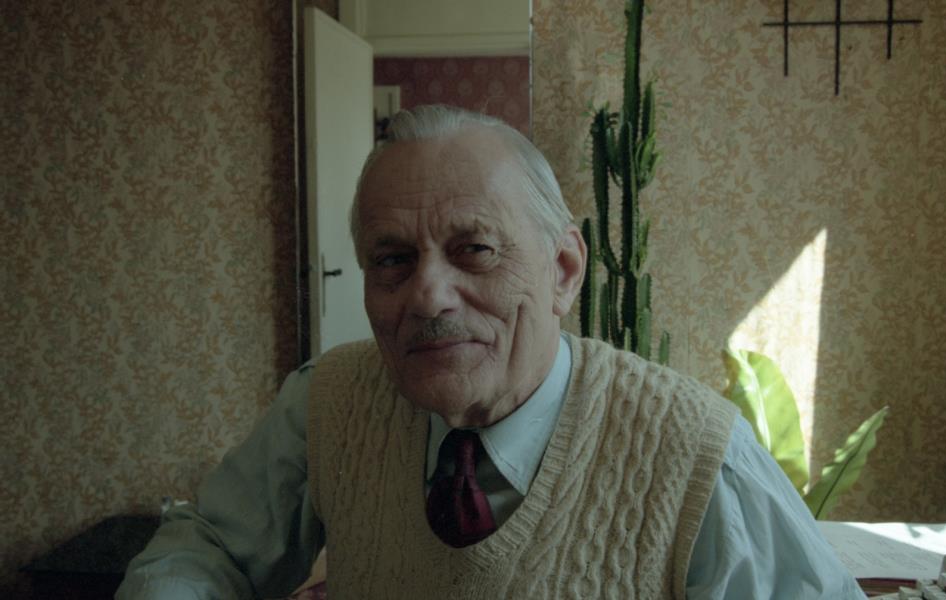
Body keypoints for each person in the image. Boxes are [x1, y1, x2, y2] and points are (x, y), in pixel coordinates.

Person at [117, 105, 863, 599]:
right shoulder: (327, 401)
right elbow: (208, 546)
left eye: (474, 249)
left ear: (562, 270)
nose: (427, 296)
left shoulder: (697, 457)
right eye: (392, 259)